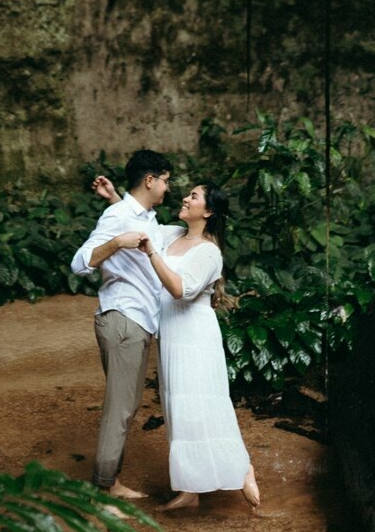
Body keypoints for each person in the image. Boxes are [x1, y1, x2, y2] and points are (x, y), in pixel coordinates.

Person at [140, 181, 260, 511]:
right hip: (172, 336)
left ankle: (242, 467)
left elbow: (181, 289)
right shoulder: (172, 235)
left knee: (204, 407)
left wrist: (150, 252)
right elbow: (142, 223)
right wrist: (112, 198)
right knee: (179, 411)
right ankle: (190, 489)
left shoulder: (210, 252)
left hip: (195, 337)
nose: (185, 198)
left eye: (193, 196)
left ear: (207, 211)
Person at [69, 149, 171, 499]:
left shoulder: (140, 215)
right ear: (150, 180)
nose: (168, 188)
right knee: (120, 408)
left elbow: (130, 223)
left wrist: (114, 200)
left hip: (135, 321)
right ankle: (102, 489)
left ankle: (111, 483)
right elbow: (79, 263)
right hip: (124, 320)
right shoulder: (119, 218)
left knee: (126, 406)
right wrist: (115, 241)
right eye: (166, 180)